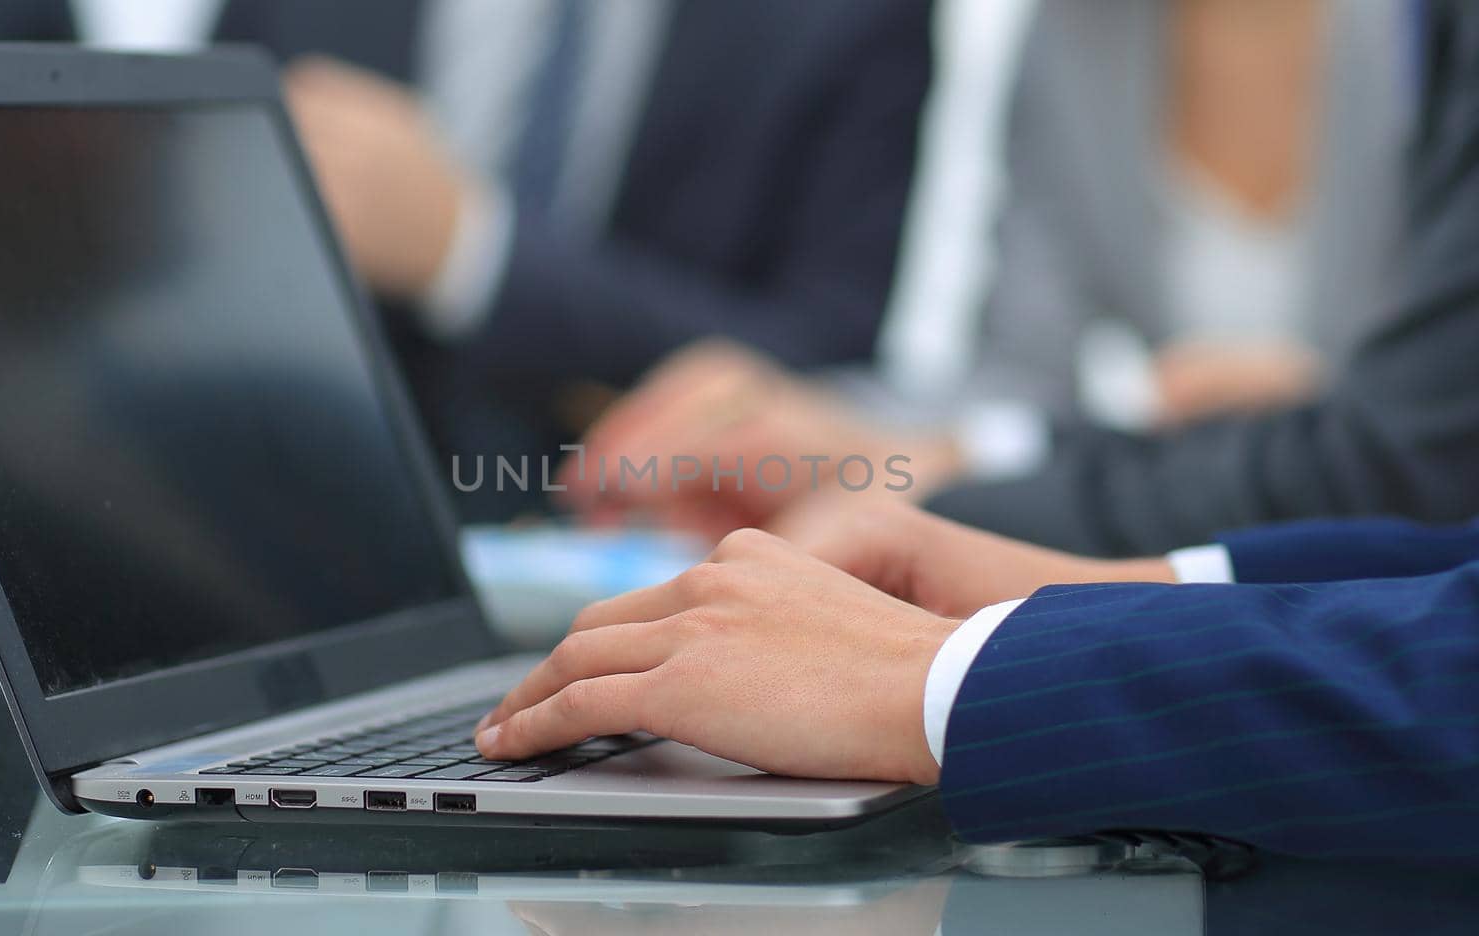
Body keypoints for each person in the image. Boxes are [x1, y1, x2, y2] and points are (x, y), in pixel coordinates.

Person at [472, 2, 1479, 858]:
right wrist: (1064, 574)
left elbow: (1410, 459)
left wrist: (947, 675)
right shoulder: (1072, 39)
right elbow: (1456, 570)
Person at [557, 0, 1437, 551]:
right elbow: (1024, 376)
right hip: (1195, 547)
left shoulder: (1435, 32)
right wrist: (835, 429)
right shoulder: (1072, 34)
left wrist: (1344, 401)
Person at [216, 0, 932, 520]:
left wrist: (474, 251)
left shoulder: (851, 19)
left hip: (655, 573)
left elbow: (823, 376)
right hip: (298, 530)